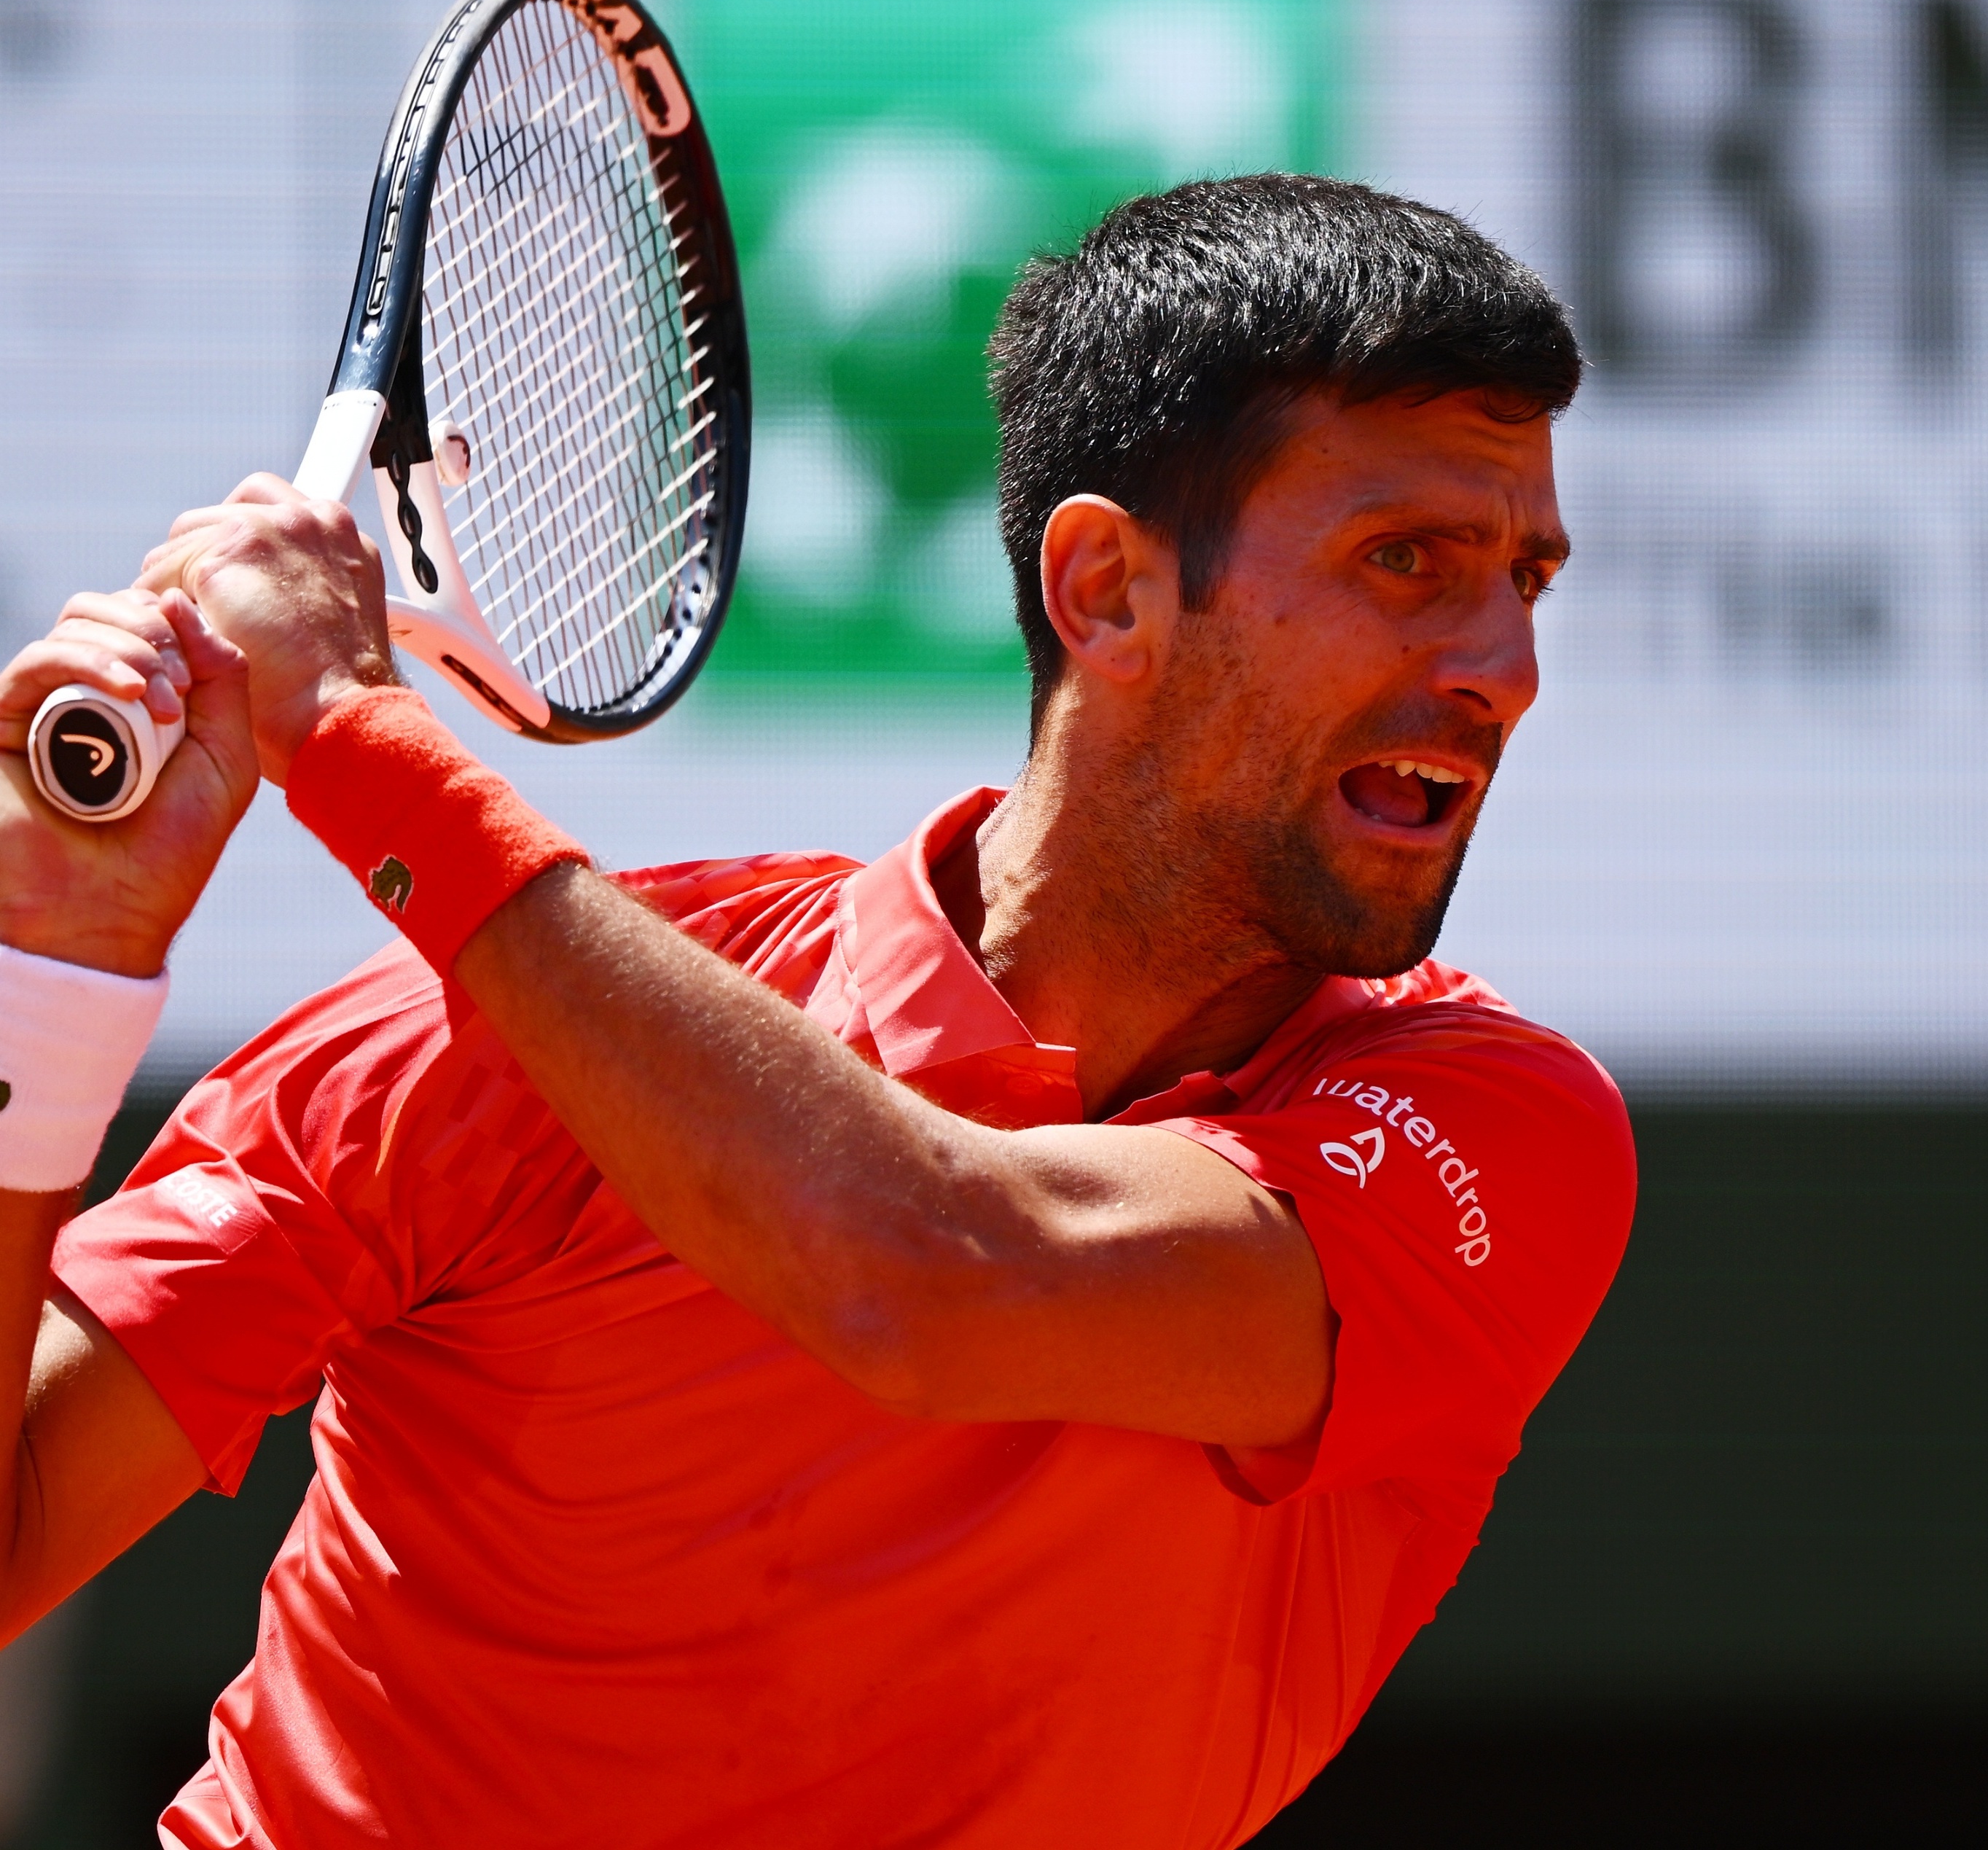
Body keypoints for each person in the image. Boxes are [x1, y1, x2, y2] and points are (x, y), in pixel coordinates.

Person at [0, 177, 1635, 1849]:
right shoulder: (461, 1047)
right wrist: (50, 977)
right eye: (1406, 561)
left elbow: (924, 1272)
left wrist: (354, 737)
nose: (1499, 658)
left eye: (1524, 576)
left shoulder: (1495, 1135)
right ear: (1107, 590)